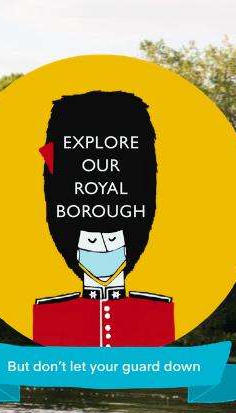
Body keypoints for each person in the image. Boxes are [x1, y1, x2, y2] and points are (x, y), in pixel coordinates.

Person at [31, 91, 175, 347]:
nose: (105, 248)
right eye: (93, 239)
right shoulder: (49, 311)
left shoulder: (158, 310)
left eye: (111, 238)